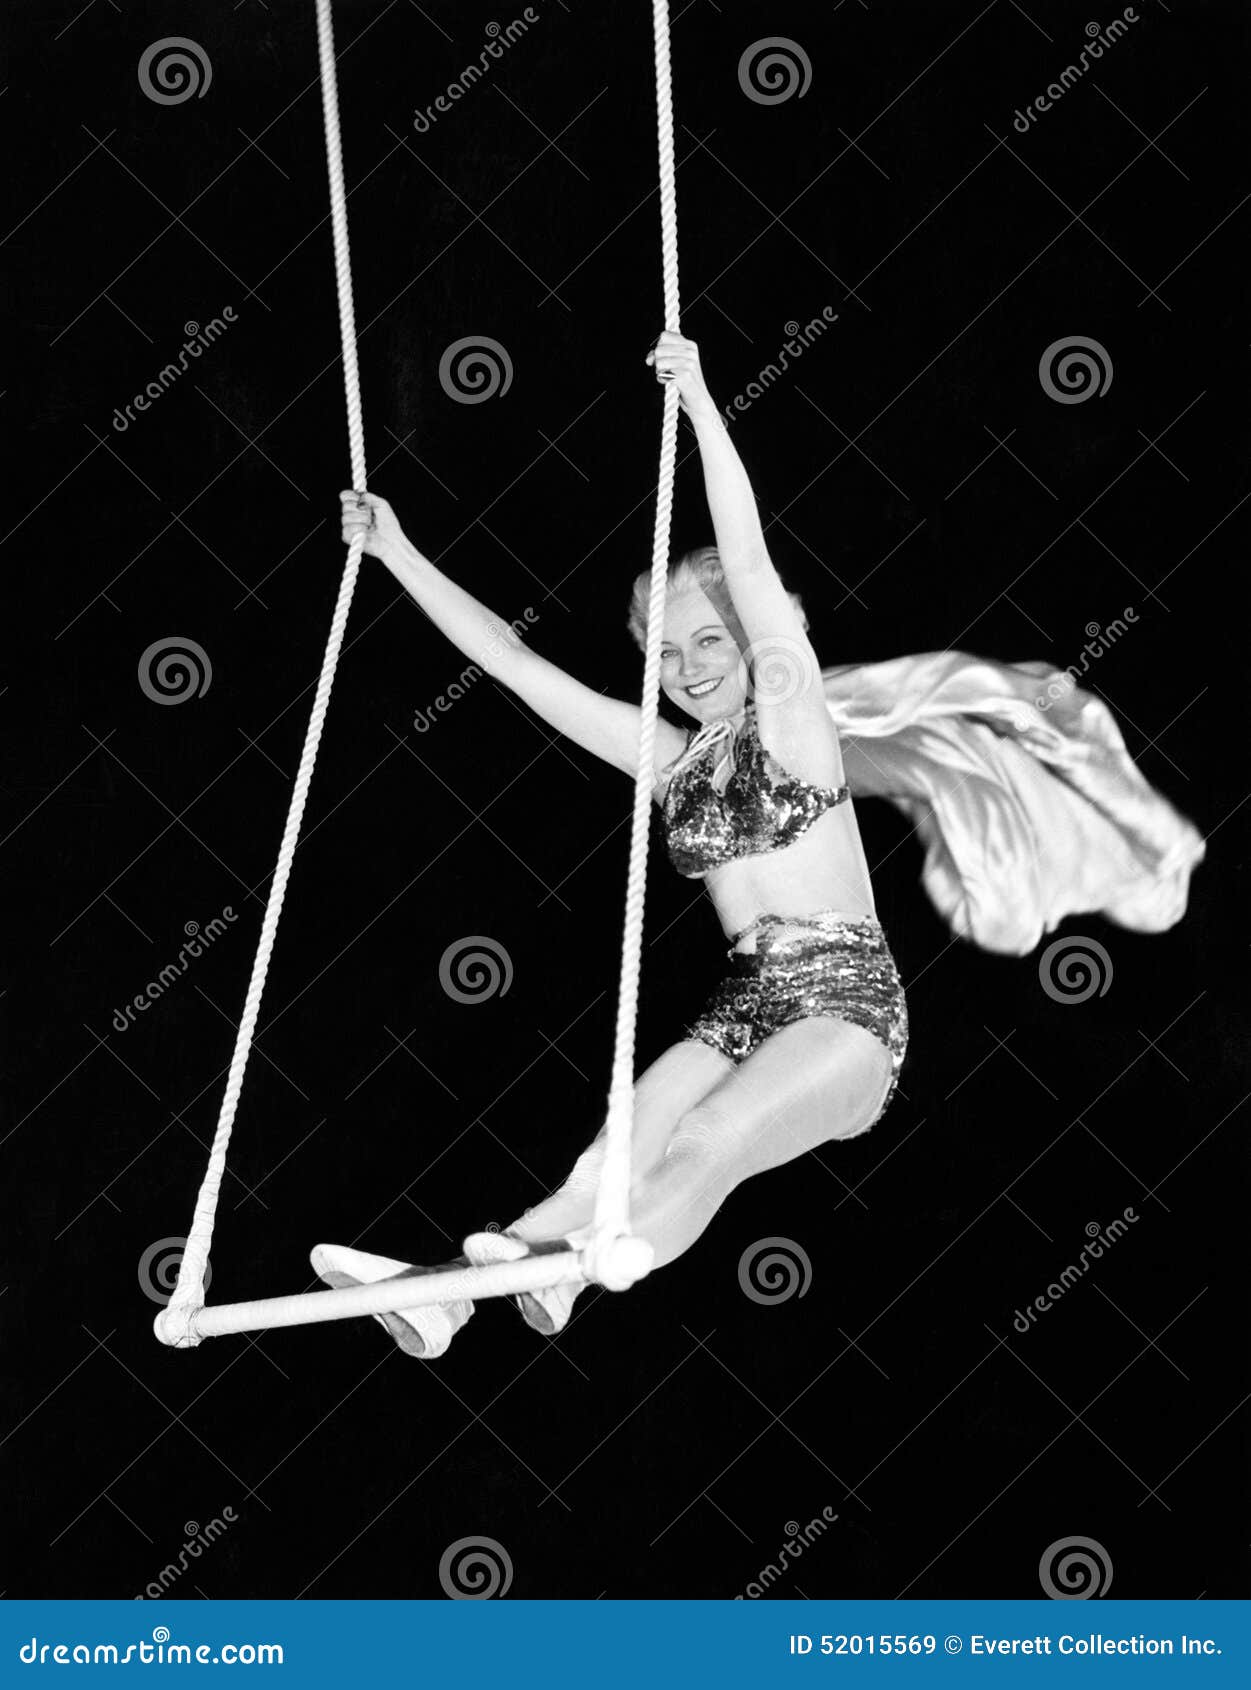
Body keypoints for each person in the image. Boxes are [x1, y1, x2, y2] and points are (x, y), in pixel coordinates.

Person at [312, 331, 909, 1358]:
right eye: (668, 653)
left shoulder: (798, 721)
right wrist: (395, 551)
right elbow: (511, 663)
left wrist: (705, 410)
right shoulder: (670, 761)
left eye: (711, 641)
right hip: (748, 1003)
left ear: (754, 644)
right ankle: (445, 1296)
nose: (689, 667)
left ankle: (605, 1256)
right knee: (598, 1168)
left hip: (847, 1013)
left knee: (705, 1141)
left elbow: (755, 569)